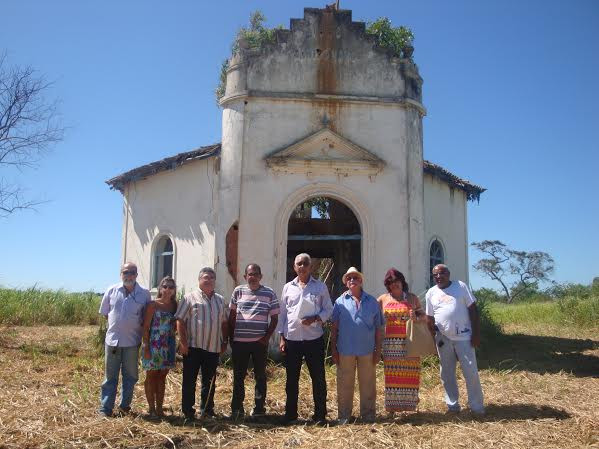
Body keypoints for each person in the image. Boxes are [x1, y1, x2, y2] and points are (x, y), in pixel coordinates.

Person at [277, 253, 333, 424]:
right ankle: (291, 415)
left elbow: (328, 309)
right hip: (292, 338)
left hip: (313, 339)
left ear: (311, 267)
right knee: (291, 379)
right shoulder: (288, 287)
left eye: (305, 263)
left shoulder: (320, 287)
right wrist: (281, 337)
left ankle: (320, 415)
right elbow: (283, 314)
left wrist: (316, 319)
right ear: (294, 267)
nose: (302, 266)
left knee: (318, 378)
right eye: (299, 264)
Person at [425, 264, 485, 415]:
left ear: (449, 273)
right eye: (435, 275)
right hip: (443, 338)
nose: (439, 276)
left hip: (464, 336)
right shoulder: (431, 293)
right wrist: (433, 339)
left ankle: (476, 407)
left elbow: (473, 310)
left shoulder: (460, 286)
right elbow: (429, 318)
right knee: (446, 373)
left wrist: (476, 334)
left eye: (442, 273)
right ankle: (452, 406)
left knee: (470, 371)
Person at [331, 267, 384, 424]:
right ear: (346, 283)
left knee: (368, 384)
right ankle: (344, 416)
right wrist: (333, 349)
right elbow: (334, 328)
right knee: (344, 384)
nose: (352, 280)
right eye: (349, 278)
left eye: (355, 278)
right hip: (345, 350)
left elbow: (378, 329)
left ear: (361, 281)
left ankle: (368, 416)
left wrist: (378, 350)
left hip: (367, 350)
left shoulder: (373, 302)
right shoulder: (339, 302)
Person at [175, 267, 228, 421]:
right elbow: (180, 320)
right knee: (189, 380)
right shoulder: (189, 298)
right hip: (193, 347)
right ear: (199, 280)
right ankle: (188, 411)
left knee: (209, 381)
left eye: (212, 277)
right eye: (206, 277)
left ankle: (207, 409)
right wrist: (183, 343)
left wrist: (224, 341)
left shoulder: (220, 300)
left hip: (212, 347)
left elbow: (224, 323)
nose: (209, 280)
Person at [99, 262, 151, 417]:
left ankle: (124, 407)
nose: (128, 275)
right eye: (125, 272)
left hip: (132, 342)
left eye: (132, 272)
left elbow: (146, 317)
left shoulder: (144, 294)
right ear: (121, 274)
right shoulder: (111, 290)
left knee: (130, 377)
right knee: (110, 377)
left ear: (136, 275)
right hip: (113, 342)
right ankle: (105, 409)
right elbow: (105, 313)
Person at [228, 263, 279, 419]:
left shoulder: (269, 293)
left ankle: (259, 409)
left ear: (260, 276)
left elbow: (275, 318)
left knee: (260, 376)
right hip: (240, 342)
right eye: (250, 274)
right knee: (238, 376)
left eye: (256, 274)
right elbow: (232, 316)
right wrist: (231, 338)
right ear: (245, 277)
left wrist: (266, 338)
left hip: (259, 343)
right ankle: (237, 409)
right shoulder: (238, 291)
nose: (253, 277)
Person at [377, 268, 425, 414]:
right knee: (392, 378)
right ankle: (392, 409)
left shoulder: (412, 298)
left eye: (396, 281)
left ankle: (409, 408)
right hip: (391, 345)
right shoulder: (382, 299)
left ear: (402, 282)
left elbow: (423, 316)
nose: (394, 285)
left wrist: (416, 317)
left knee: (410, 375)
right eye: (390, 282)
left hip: (409, 343)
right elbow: (376, 320)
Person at [141, 275, 177, 417]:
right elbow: (145, 327)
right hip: (154, 343)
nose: (168, 289)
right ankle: (151, 408)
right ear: (160, 288)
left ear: (174, 290)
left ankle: (160, 408)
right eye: (165, 286)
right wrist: (146, 346)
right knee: (151, 375)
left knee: (162, 376)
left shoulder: (175, 305)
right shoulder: (153, 305)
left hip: (168, 344)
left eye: (171, 287)